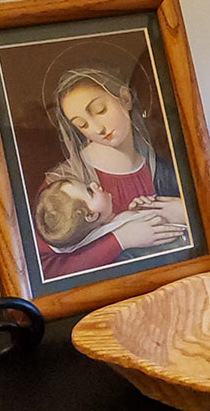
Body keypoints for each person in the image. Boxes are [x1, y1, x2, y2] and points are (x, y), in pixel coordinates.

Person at [36, 66, 186, 278]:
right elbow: (45, 270)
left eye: (100, 110)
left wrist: (185, 213)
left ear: (125, 99)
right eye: (82, 124)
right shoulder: (62, 185)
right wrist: (119, 240)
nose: (97, 129)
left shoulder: (162, 168)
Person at [34, 178, 187, 258]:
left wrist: (140, 210)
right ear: (91, 215)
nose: (94, 184)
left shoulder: (121, 222)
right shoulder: (127, 236)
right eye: (90, 191)